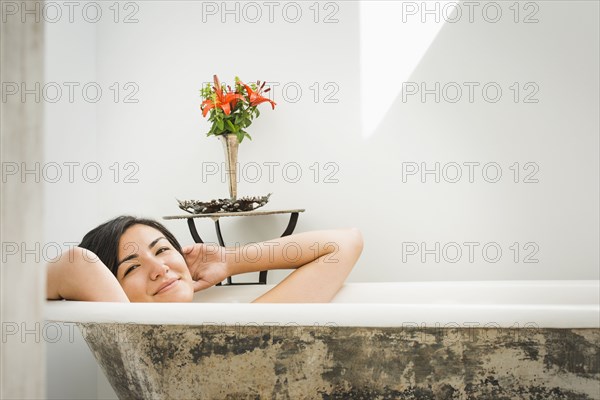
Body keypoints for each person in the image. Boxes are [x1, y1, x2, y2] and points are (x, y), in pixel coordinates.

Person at [46, 216, 363, 303]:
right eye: (131, 268)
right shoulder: (127, 338)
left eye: (162, 250)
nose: (160, 269)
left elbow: (346, 243)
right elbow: (77, 262)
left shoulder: (235, 328)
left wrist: (230, 261)